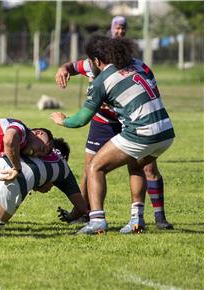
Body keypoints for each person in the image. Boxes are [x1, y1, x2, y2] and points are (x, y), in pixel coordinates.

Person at [54, 15, 173, 230]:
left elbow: (81, 119)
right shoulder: (140, 65)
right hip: (165, 130)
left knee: (95, 167)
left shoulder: (103, 78)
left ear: (97, 60)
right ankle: (137, 219)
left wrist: (63, 121)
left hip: (139, 129)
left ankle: (97, 221)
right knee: (136, 165)